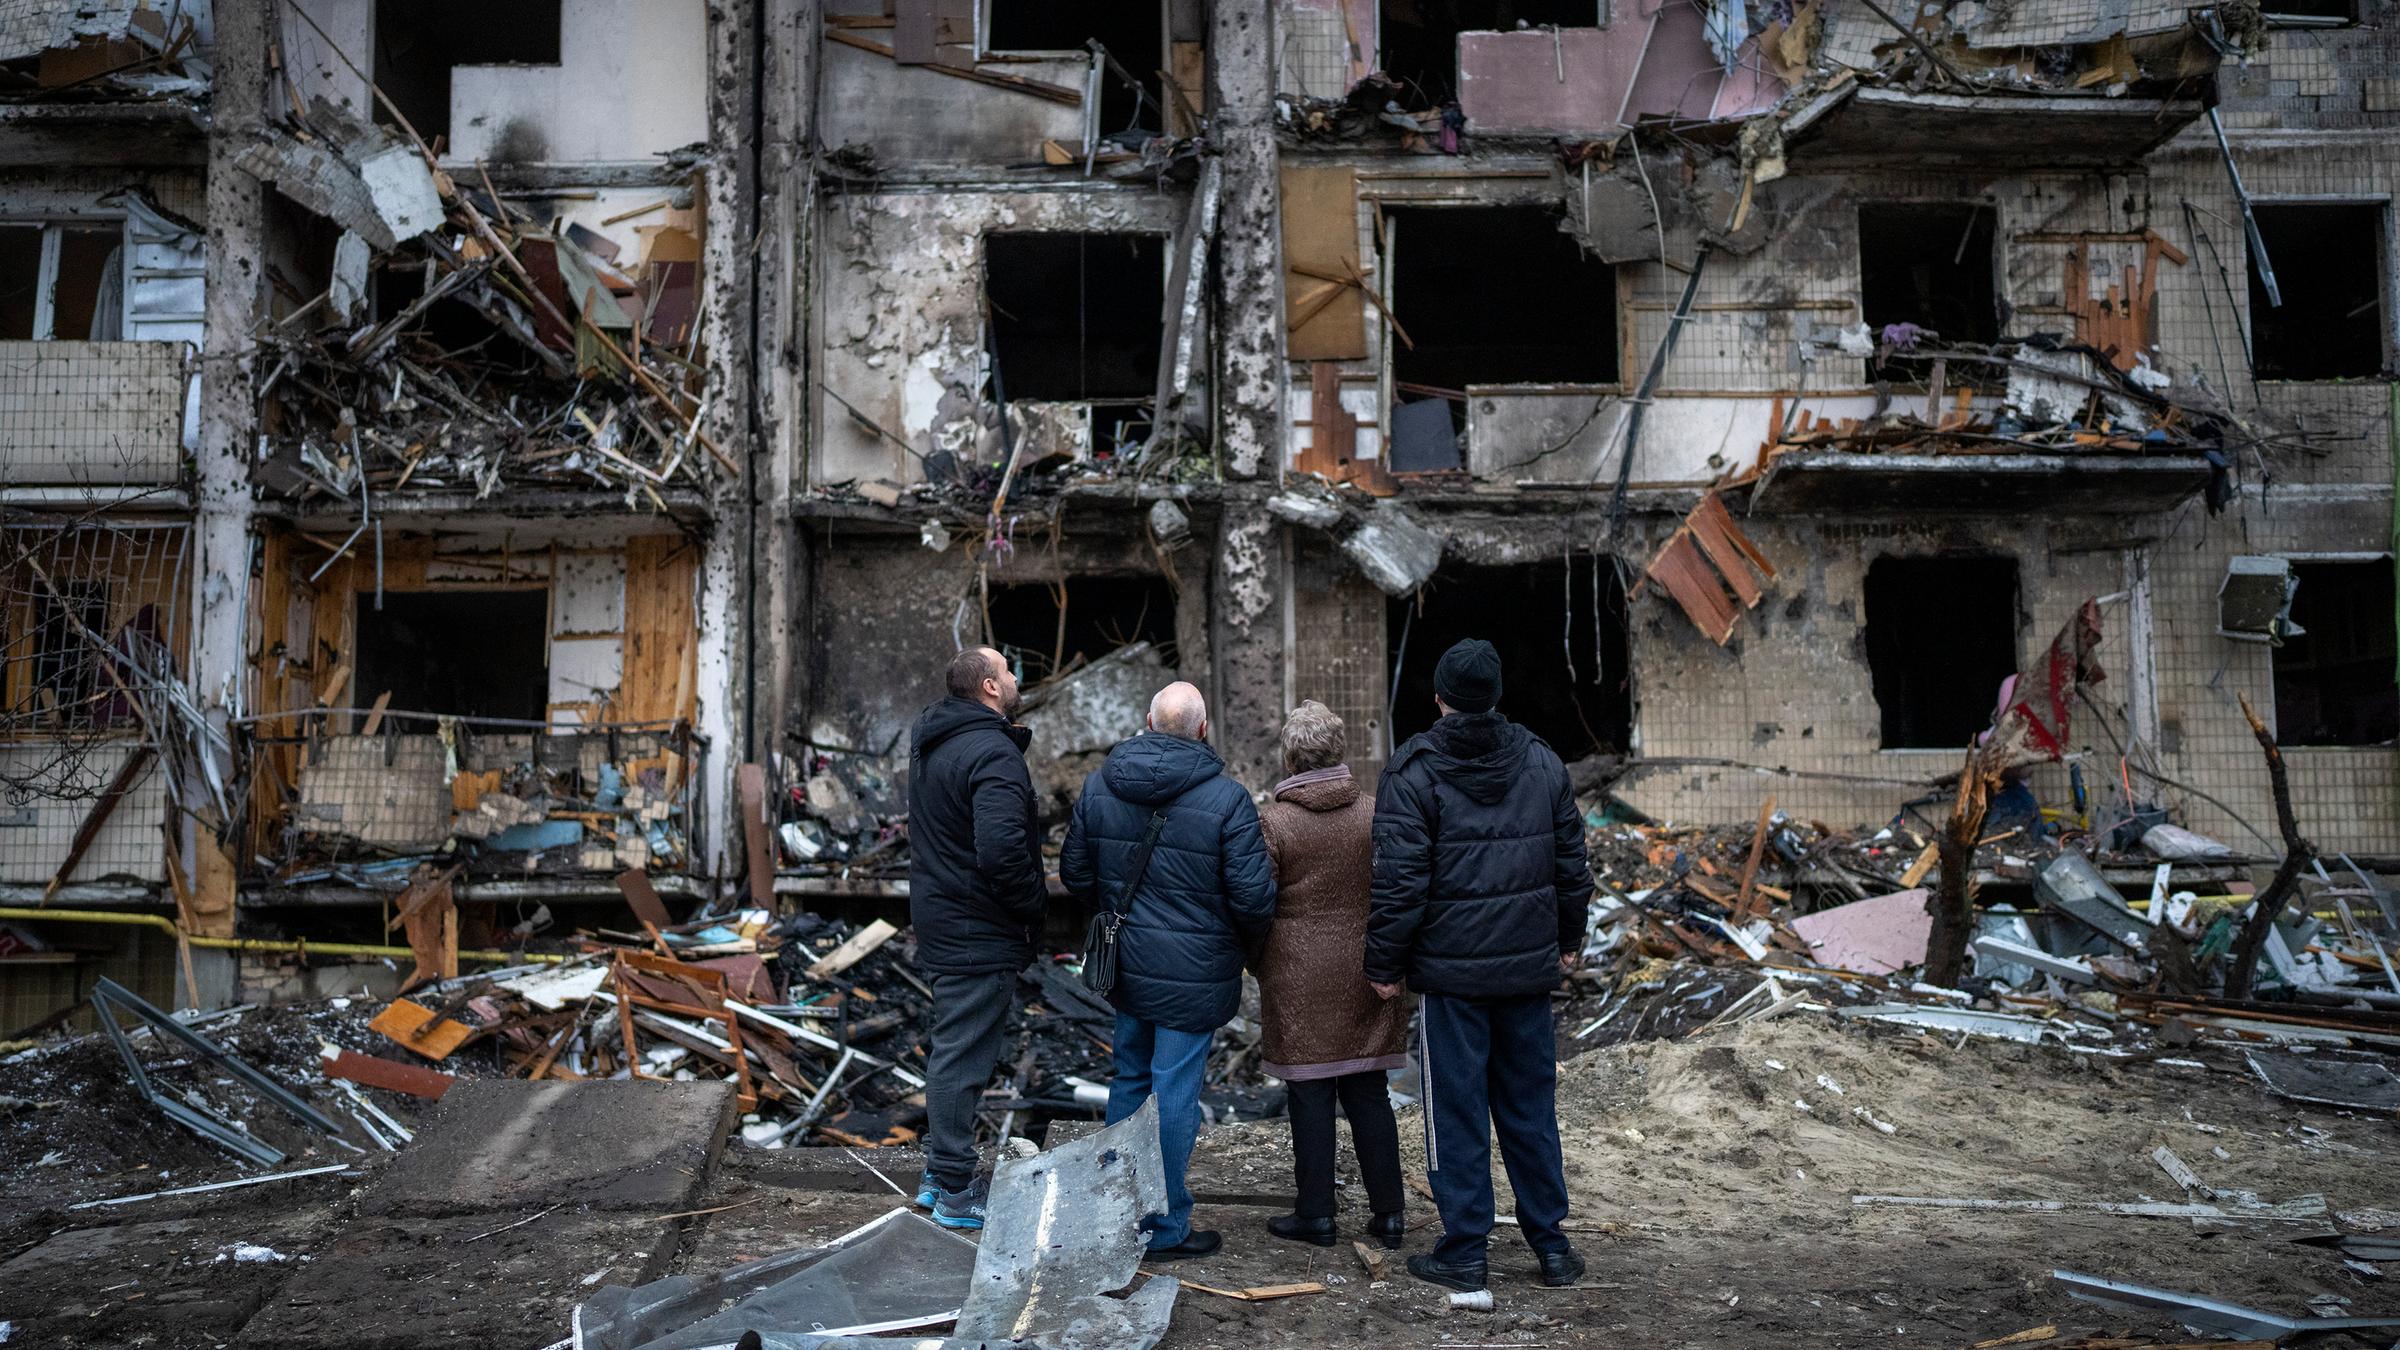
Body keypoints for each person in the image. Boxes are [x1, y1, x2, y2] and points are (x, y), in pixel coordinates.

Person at [1367, 639, 1593, 1294]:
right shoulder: (1542, 762)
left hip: (1452, 979)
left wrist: (1384, 964)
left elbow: (1398, 884)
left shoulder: (1413, 772)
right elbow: (1571, 864)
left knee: (1456, 1112)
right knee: (1529, 1108)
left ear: (1439, 698)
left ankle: (1465, 1250)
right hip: (1524, 971)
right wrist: (1568, 937)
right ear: (1495, 696)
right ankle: (1552, 1247)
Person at [1061, 681, 1275, 1260]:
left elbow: (1075, 875)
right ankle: (1163, 1226)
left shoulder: (1099, 785)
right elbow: (1254, 898)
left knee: (1130, 1078)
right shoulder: (1227, 799)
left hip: (1127, 964)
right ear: (1203, 729)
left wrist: (1117, 907)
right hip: (1195, 971)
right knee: (1174, 1089)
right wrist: (1237, 945)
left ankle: (1115, 1214)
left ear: (1148, 721)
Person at [1255, 700, 1409, 1250]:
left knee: (1310, 1094)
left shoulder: (1274, 823)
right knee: (1369, 1091)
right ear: (1341, 751)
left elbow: (1257, 902)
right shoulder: (1375, 813)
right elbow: (1397, 887)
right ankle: (1389, 1214)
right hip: (1367, 969)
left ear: (1290, 758)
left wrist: (1257, 961)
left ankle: (1316, 1215)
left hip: (1297, 975)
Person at [905, 646, 1047, 1230]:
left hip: (945, 916)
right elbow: (1001, 850)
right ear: (989, 687)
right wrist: (1033, 905)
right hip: (976, 926)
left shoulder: (934, 744)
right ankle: (957, 1189)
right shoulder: (991, 750)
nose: (1014, 679)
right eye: (1007, 671)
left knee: (952, 1048)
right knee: (962, 1057)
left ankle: (940, 1177)